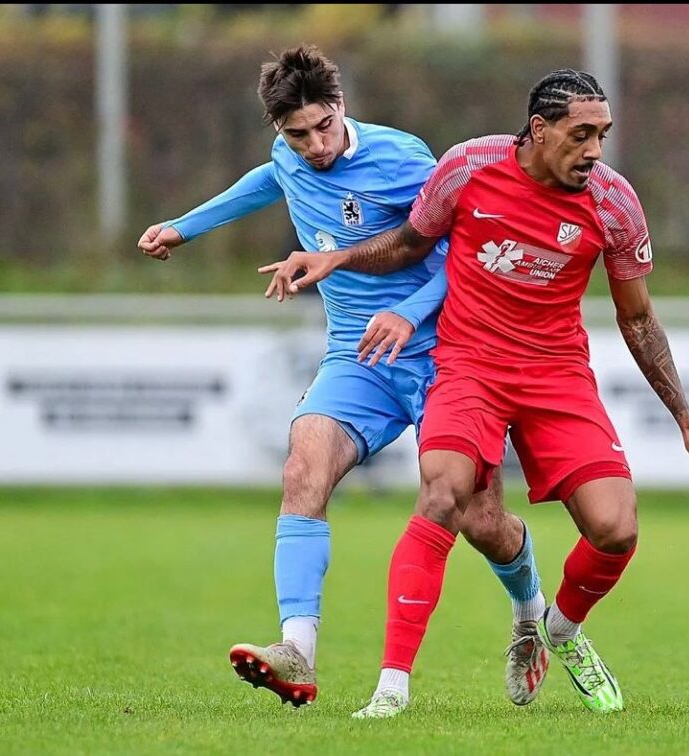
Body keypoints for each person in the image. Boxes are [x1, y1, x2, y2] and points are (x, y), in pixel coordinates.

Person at [261, 68, 689, 719]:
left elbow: (638, 318)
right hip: (468, 366)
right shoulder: (466, 168)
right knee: (442, 495)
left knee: (615, 528)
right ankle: (391, 688)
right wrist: (337, 259)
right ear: (539, 130)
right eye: (580, 135)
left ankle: (561, 629)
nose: (594, 150)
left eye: (601, 135)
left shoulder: (614, 203)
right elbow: (409, 244)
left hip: (556, 375)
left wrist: (687, 420)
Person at [137, 45, 549, 710]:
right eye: (297, 134)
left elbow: (466, 254)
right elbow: (267, 180)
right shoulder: (288, 155)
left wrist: (408, 314)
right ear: (280, 130)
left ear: (342, 107)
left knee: (481, 519)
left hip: (447, 353)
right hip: (358, 358)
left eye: (323, 127)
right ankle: (296, 651)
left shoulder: (406, 160)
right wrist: (185, 229)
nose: (315, 146)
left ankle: (532, 611)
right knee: (304, 468)